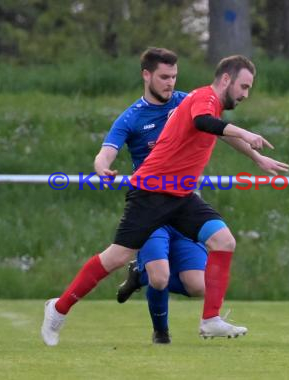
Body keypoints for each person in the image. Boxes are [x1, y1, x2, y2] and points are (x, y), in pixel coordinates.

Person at [41, 54, 289, 346]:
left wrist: (256, 157)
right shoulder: (202, 99)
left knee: (224, 241)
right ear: (226, 80)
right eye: (244, 86)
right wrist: (246, 132)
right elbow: (205, 122)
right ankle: (57, 310)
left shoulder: (197, 100)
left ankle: (210, 320)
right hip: (151, 192)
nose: (246, 94)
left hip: (181, 195)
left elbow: (216, 128)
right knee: (117, 257)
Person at [94, 47, 209, 344]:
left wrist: (251, 146)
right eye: (164, 77)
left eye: (174, 76)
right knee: (160, 277)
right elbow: (106, 152)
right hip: (151, 205)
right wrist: (102, 167)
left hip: (184, 203)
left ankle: (139, 276)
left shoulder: (188, 103)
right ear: (146, 75)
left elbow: (218, 126)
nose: (170, 83)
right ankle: (161, 332)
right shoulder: (130, 118)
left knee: (199, 286)